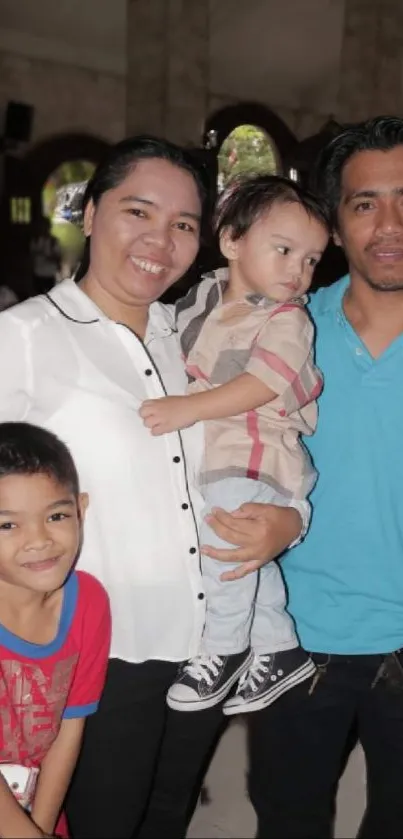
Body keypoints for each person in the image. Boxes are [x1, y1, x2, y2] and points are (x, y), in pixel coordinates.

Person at [0, 136, 308, 838]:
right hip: (101, 657)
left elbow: (269, 446)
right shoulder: (24, 338)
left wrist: (290, 523)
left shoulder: (197, 338)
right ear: (89, 211)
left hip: (205, 648)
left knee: (167, 818)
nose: (158, 240)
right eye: (137, 211)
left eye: (182, 224)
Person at [246, 115, 403, 839]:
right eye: (364, 203)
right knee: (288, 818)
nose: (388, 223)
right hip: (298, 637)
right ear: (334, 225)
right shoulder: (280, 333)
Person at [140, 175, 329, 714]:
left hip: (256, 456)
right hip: (215, 457)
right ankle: (280, 647)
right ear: (231, 241)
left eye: (312, 260)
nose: (299, 271)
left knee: (219, 550)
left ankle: (221, 650)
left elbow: (263, 384)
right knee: (246, 553)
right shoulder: (203, 296)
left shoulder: (287, 317)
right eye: (286, 251)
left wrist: (187, 408)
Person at [0, 422, 111, 839]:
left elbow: (70, 725)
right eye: (8, 525)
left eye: (57, 516)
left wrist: (42, 827)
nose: (39, 540)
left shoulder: (89, 602)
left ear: (80, 510)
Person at [30, 216, 62, 295]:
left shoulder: (53, 241)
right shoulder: (35, 240)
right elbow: (31, 256)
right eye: (41, 226)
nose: (43, 228)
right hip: (37, 274)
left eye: (45, 226)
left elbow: (58, 258)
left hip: (49, 274)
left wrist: (47, 257)